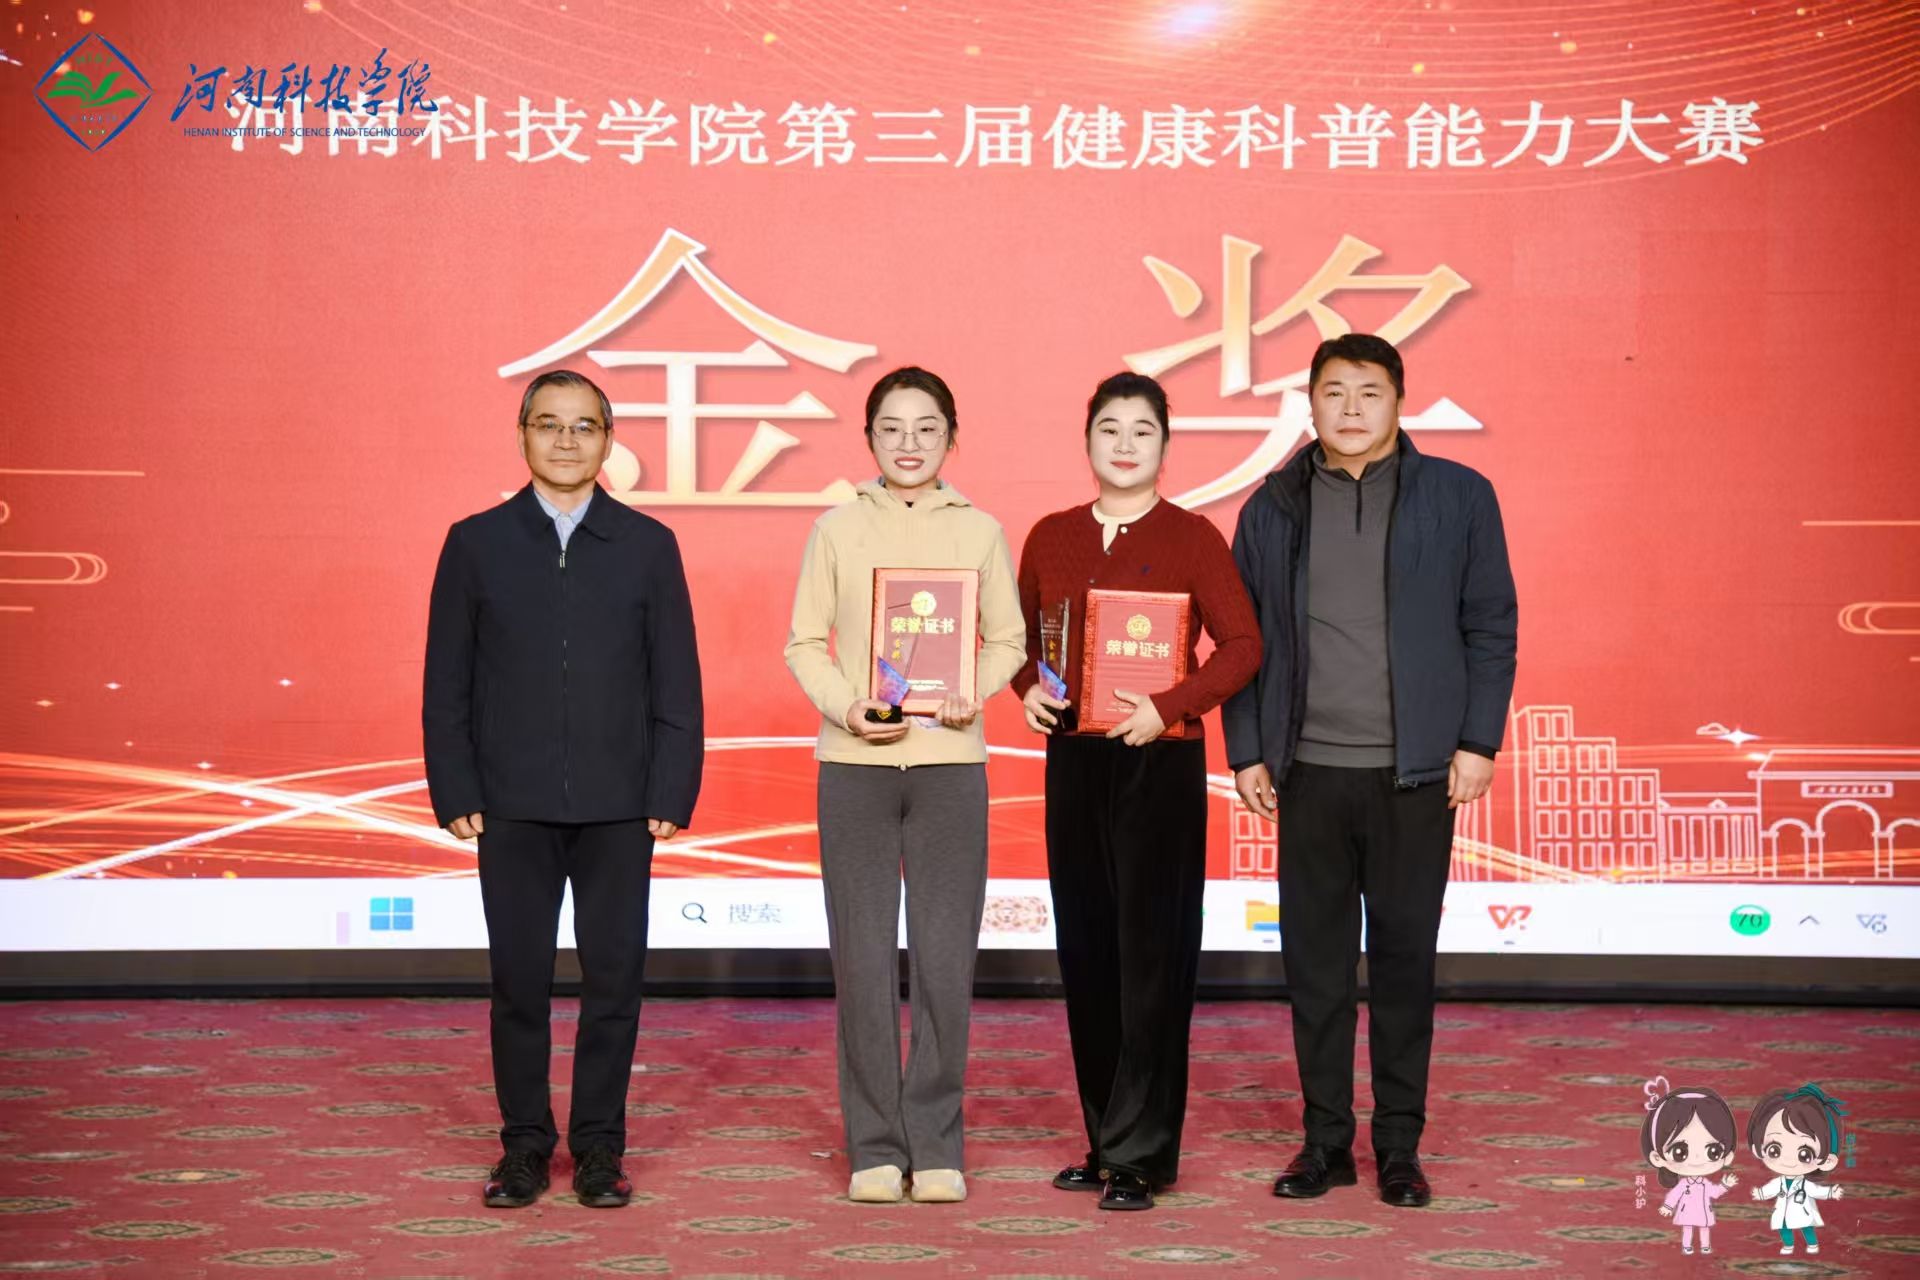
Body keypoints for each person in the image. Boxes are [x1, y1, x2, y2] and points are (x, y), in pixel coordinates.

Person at [1223, 333, 1517, 1208]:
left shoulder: (1459, 496)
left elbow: (1490, 626)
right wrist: (1247, 748)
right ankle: (1325, 1144)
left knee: (1402, 966)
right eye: (1334, 393)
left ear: (1399, 402)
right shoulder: (1272, 505)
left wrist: (1479, 742)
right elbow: (1242, 640)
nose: (1350, 409)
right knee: (1315, 971)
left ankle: (1398, 1147)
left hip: (1415, 775)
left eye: (1369, 393)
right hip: (1307, 771)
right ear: (1309, 403)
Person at [423, 369, 704, 1211]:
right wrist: (455, 784)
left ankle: (598, 1149)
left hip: (621, 805)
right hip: (509, 803)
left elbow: (676, 679)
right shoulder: (476, 542)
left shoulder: (648, 545)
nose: (566, 440)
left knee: (614, 984)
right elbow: (447, 681)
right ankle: (522, 1146)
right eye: (548, 424)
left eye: (584, 426)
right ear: (522, 435)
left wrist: (672, 786)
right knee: (519, 983)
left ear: (608, 440)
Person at [1012, 372, 1261, 1212]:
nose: (1124, 444)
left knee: (1153, 958)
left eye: (1142, 430)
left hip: (1160, 761)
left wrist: (1170, 705)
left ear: (1165, 444)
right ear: (1087, 439)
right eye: (1110, 428)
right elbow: (1022, 642)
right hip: (1075, 762)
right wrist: (1028, 689)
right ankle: (1104, 1138)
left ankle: (1143, 1154)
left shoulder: (1193, 537)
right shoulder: (1050, 536)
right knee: (1087, 951)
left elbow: (1243, 645)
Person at [783, 366, 1026, 1204]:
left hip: (950, 766)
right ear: (869, 439)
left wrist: (972, 691)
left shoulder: (981, 531)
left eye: (927, 428)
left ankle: (937, 1141)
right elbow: (804, 642)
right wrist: (846, 706)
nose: (909, 443)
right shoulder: (836, 529)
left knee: (944, 962)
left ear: (952, 437)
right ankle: (875, 1147)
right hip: (855, 768)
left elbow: (1007, 640)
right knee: (859, 961)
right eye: (891, 428)